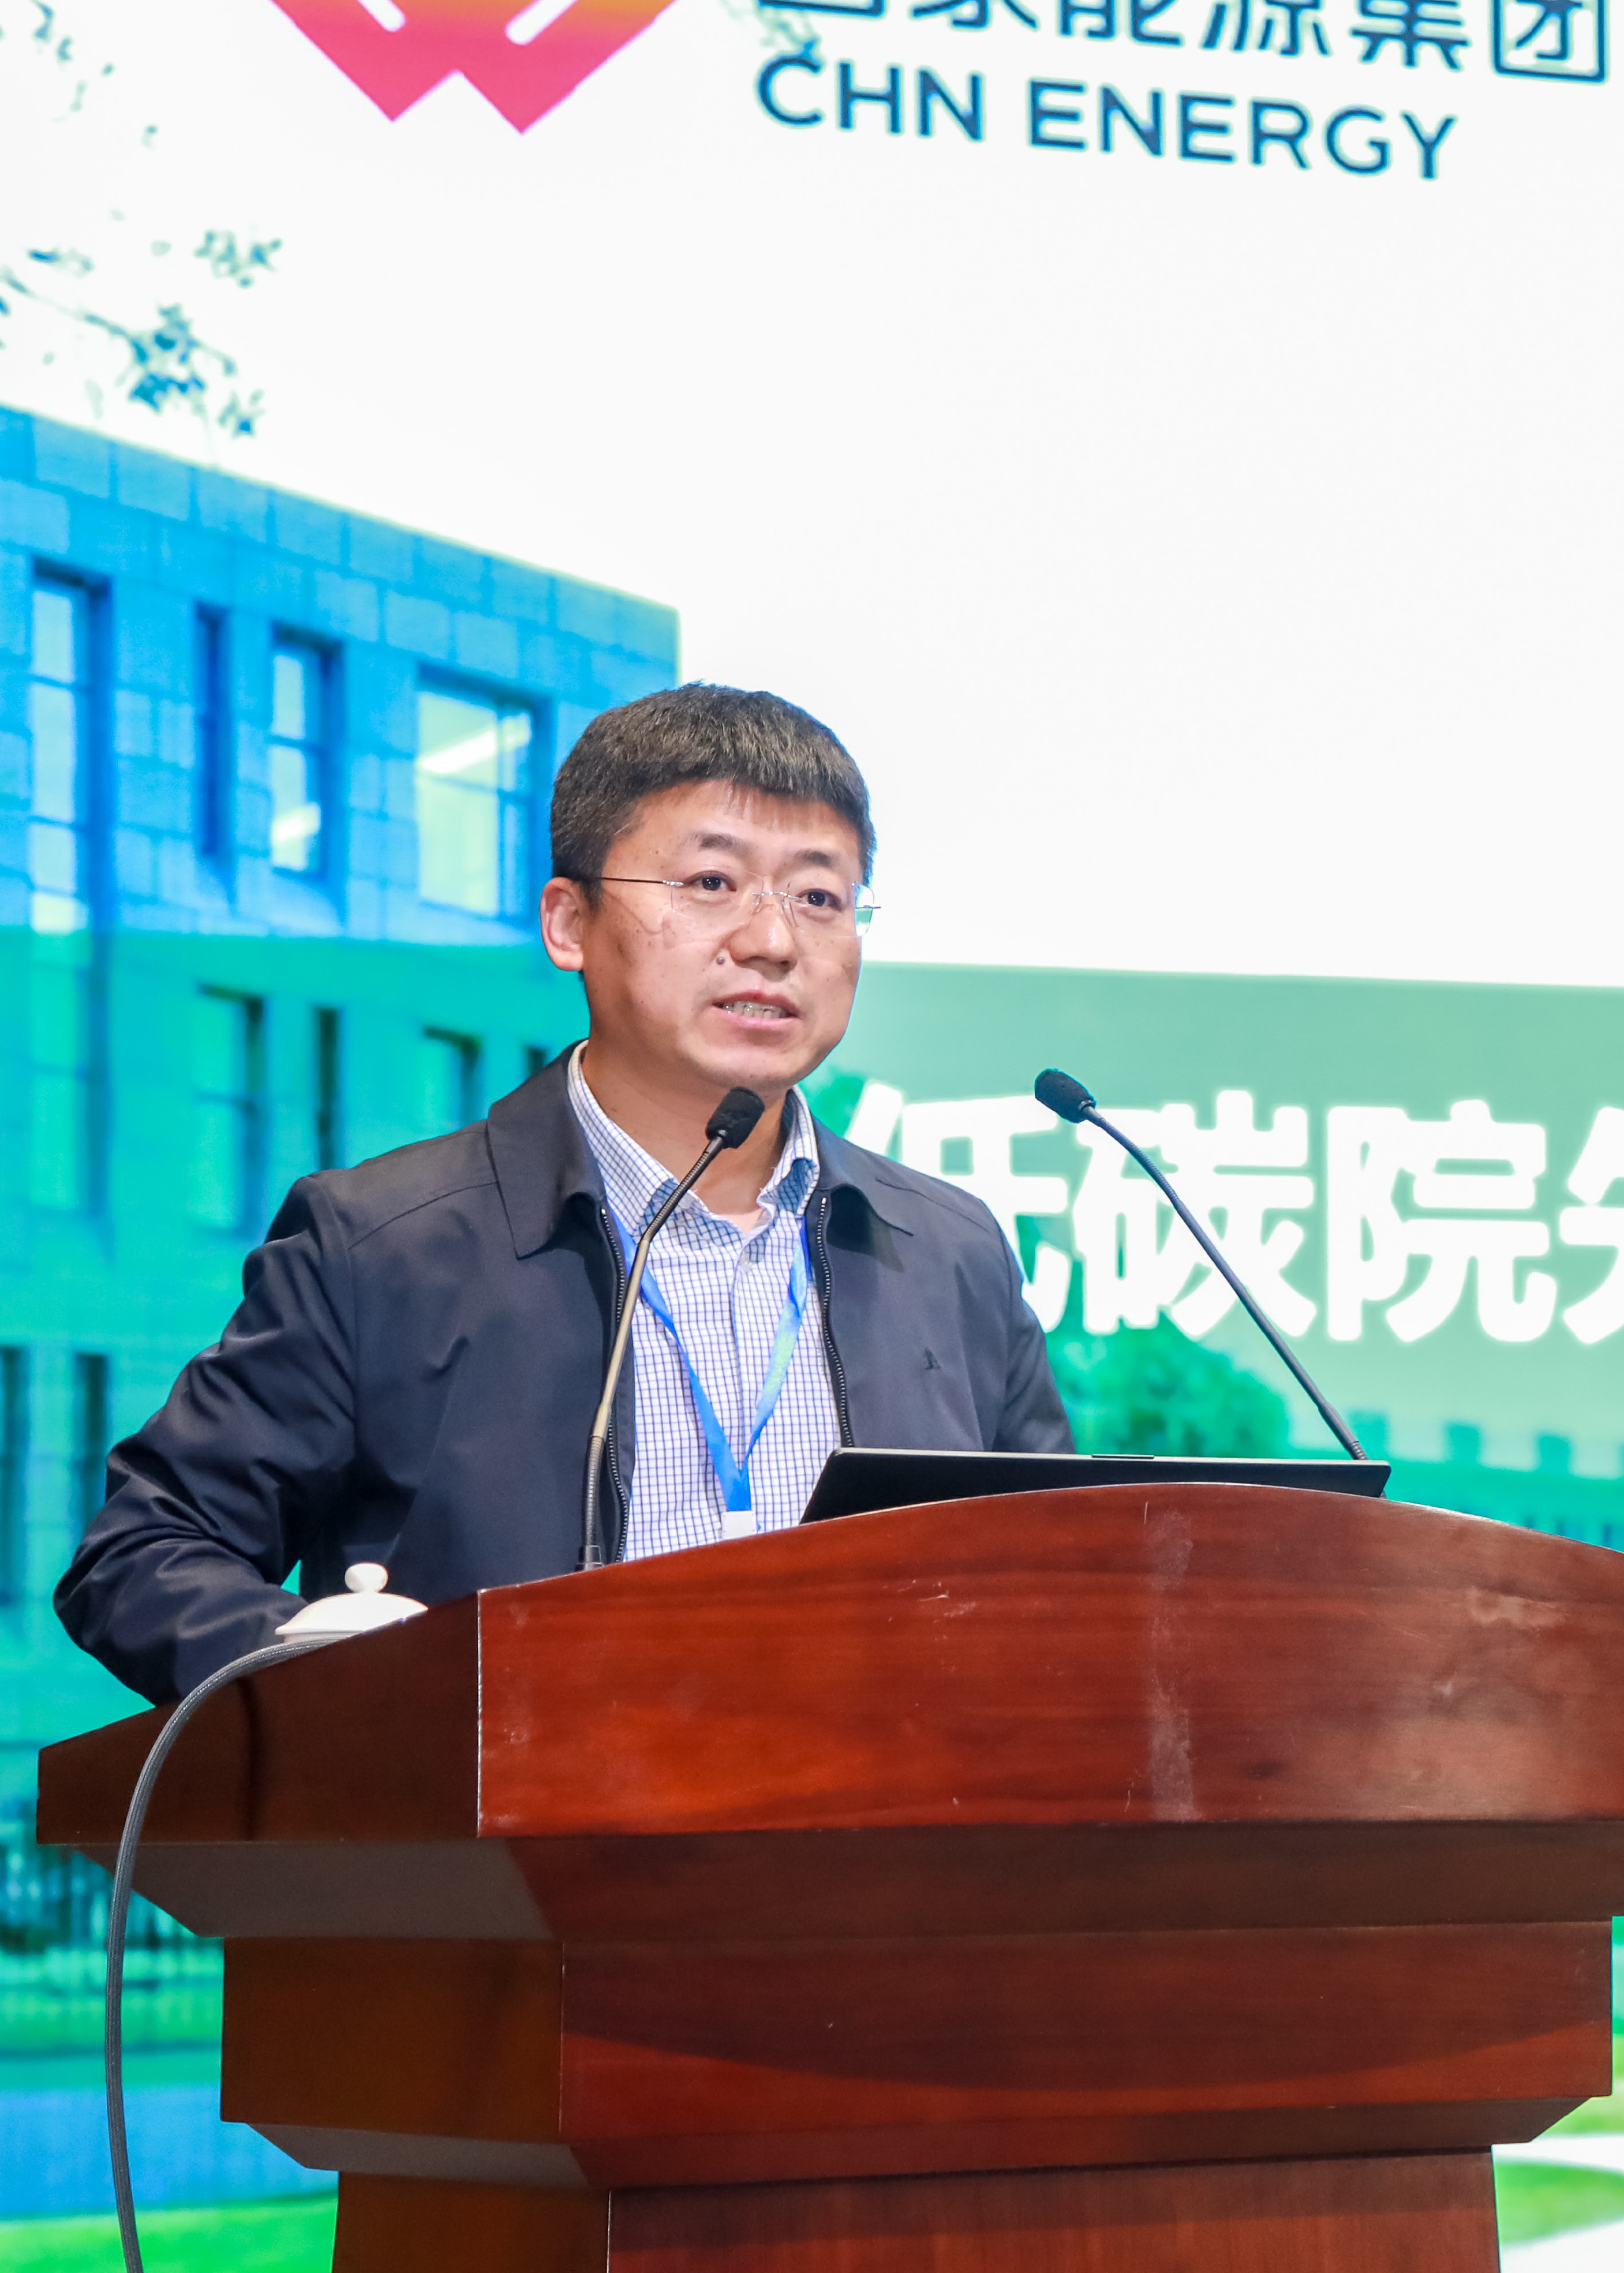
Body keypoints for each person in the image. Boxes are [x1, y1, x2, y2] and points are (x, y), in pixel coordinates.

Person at [58, 685, 1067, 1703]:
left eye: (819, 897)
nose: (773, 941)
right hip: (507, 1804)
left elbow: (1074, 1578)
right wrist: (346, 1684)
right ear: (569, 922)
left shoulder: (947, 1250)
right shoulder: (381, 1246)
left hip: (882, 1803)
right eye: (711, 882)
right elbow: (142, 1555)